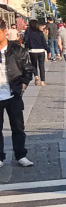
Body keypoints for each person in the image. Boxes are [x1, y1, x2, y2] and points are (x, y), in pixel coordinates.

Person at [0, 18, 35, 167]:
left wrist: (23, 85)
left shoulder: (17, 50)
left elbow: (28, 70)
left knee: (18, 127)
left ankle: (21, 155)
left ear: (4, 31)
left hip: (13, 93)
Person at [22, 20, 48, 87]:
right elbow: (44, 42)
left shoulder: (28, 32)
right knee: (41, 66)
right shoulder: (40, 33)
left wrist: (26, 47)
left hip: (32, 50)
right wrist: (48, 50)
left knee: (34, 65)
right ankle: (43, 81)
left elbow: (25, 40)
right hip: (41, 50)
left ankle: (36, 75)